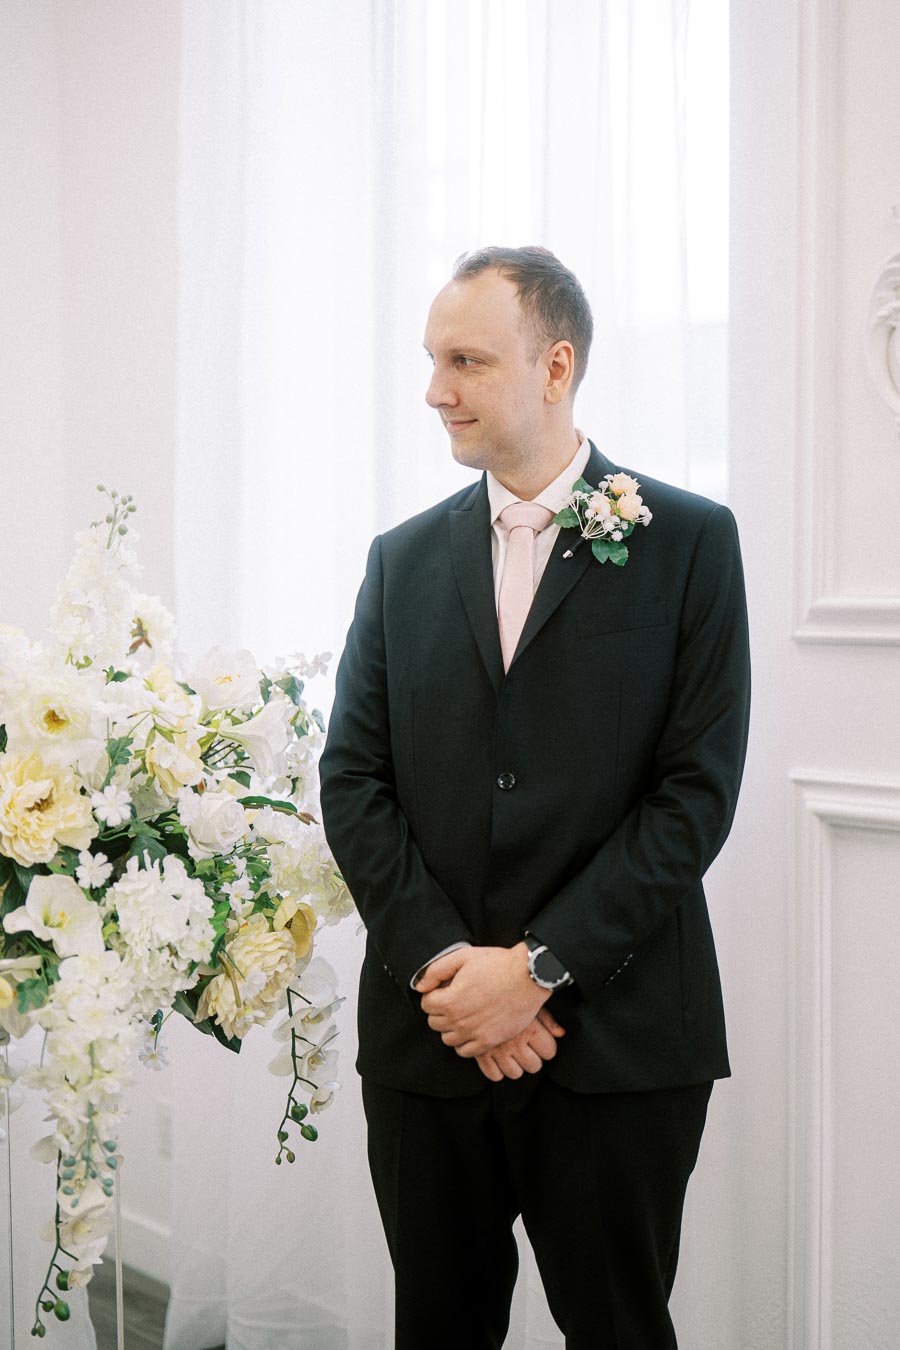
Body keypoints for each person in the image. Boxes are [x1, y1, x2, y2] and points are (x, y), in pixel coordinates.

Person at [319, 245, 750, 1349]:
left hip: (616, 1041)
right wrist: (445, 969)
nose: (434, 391)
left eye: (464, 360)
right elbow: (354, 779)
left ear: (555, 367)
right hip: (432, 1037)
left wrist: (539, 970)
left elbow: (692, 798)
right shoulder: (399, 561)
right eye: (430, 360)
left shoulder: (692, 543)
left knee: (617, 1326)